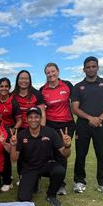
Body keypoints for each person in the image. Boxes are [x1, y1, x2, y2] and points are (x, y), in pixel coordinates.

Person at [10, 107, 72, 206]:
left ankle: (51, 195)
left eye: (36, 117)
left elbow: (65, 154)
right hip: (29, 168)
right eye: (30, 117)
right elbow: (14, 159)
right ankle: (34, 183)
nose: (33, 119)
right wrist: (13, 145)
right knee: (23, 198)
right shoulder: (21, 135)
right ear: (26, 119)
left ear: (41, 118)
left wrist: (67, 146)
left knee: (59, 170)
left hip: (46, 164)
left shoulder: (50, 132)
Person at [71, 56, 103, 196]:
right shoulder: (78, 86)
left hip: (102, 124)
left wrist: (99, 119)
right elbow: (75, 108)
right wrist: (90, 118)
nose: (90, 69)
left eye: (93, 66)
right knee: (81, 154)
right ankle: (79, 181)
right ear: (84, 69)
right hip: (83, 125)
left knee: (102, 154)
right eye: (88, 67)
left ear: (97, 67)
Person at [39, 63, 75, 195]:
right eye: (48, 72)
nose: (51, 74)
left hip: (66, 125)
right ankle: (43, 178)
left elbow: (76, 104)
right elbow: (41, 109)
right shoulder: (43, 90)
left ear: (58, 71)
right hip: (50, 124)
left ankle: (60, 184)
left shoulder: (67, 85)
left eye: (53, 71)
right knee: (48, 153)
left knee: (62, 154)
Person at [0, 77, 22, 192]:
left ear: (9, 88)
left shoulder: (13, 102)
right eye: (1, 86)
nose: (3, 88)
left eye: (6, 86)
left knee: (6, 156)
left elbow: (19, 120)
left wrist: (13, 130)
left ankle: (8, 180)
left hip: (9, 131)